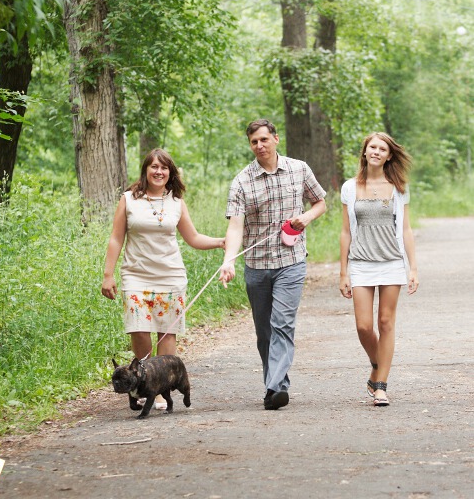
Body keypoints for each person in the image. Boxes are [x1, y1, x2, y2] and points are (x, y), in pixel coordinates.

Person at [102, 148, 225, 410]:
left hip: (171, 276)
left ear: (170, 173)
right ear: (145, 170)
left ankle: (161, 388)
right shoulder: (128, 199)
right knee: (139, 329)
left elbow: (192, 238)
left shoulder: (176, 202)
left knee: (167, 333)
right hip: (135, 275)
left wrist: (220, 242)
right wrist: (108, 275)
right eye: (154, 167)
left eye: (164, 168)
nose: (159, 172)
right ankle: (144, 384)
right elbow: (116, 238)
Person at [219, 119, 327, 410]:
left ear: (276, 139)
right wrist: (229, 260)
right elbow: (235, 227)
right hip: (256, 266)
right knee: (264, 332)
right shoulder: (242, 181)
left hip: (291, 262)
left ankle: (275, 387)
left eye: (264, 139)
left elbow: (320, 202)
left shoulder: (299, 169)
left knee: (282, 323)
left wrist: (305, 218)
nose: (260, 146)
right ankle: (277, 385)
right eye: (254, 142)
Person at [339, 132, 419, 407]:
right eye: (372, 147)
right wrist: (343, 272)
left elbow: (406, 230)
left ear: (388, 156)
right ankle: (378, 364)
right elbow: (345, 232)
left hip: (391, 262)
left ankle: (381, 385)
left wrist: (413, 268)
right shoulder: (350, 187)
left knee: (386, 322)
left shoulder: (398, 187)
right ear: (364, 152)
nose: (376, 151)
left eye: (382, 149)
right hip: (361, 263)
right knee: (363, 326)